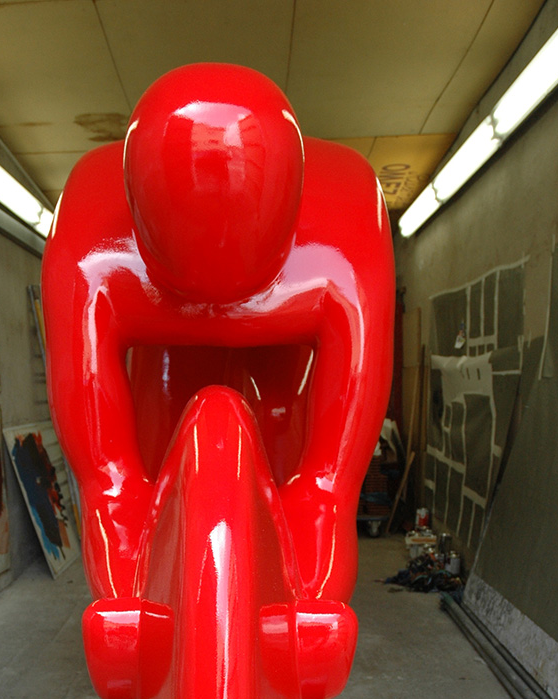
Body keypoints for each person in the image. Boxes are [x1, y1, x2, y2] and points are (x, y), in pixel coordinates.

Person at [41, 62, 394, 607]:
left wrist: (321, 521)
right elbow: (110, 480)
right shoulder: (89, 236)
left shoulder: (348, 222)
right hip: (165, 354)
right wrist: (120, 538)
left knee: (284, 448)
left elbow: (327, 484)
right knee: (156, 448)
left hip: (280, 355)